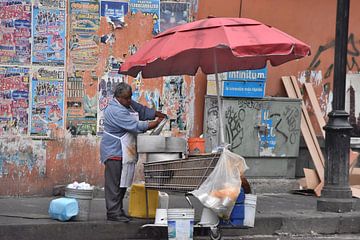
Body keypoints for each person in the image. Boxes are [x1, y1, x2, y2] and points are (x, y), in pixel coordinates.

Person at [100, 82, 166, 222]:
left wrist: (155, 114)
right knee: (114, 184)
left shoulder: (127, 104)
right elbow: (135, 126)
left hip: (126, 150)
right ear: (118, 97)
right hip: (114, 150)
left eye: (130, 97)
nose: (129, 100)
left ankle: (118, 210)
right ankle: (113, 212)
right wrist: (153, 124)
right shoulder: (115, 111)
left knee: (123, 182)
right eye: (126, 98)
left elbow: (141, 110)